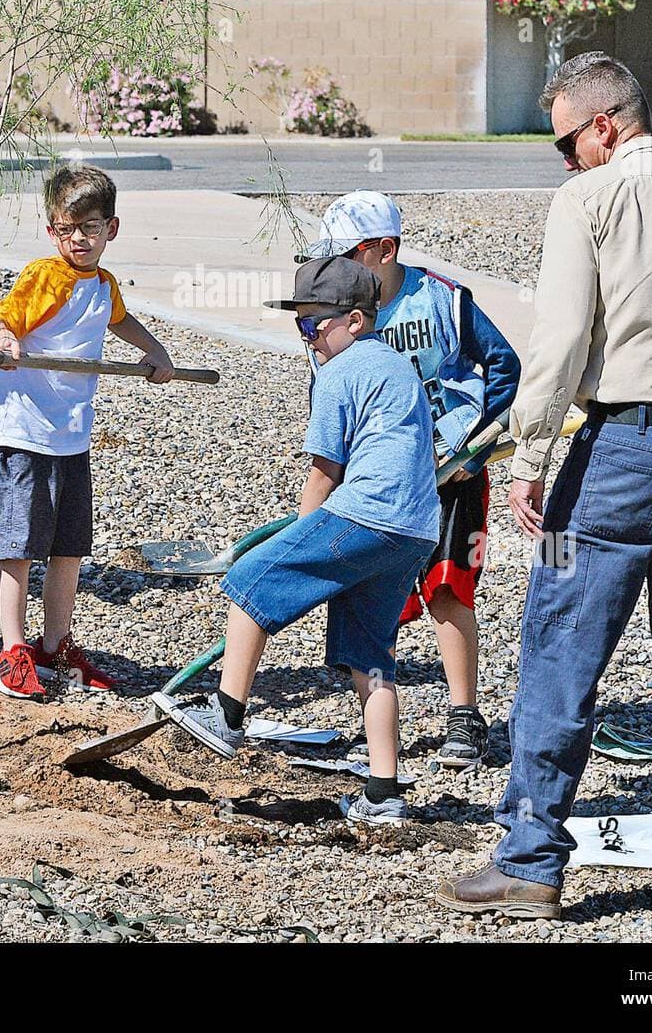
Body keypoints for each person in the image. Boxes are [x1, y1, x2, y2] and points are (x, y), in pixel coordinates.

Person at [437, 52, 652, 925]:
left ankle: (528, 861)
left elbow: (558, 338)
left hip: (620, 453)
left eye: (565, 143)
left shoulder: (589, 199)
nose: (563, 160)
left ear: (604, 125)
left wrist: (525, 458)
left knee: (560, 647)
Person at [151, 256, 440, 826]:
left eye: (313, 324)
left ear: (354, 320)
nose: (306, 335)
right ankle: (384, 794)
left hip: (367, 513)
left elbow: (324, 472)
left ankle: (226, 716)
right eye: (299, 323)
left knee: (250, 579)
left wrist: (303, 533)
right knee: (371, 658)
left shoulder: (339, 372)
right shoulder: (397, 366)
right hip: (413, 530)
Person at [304, 191, 520, 768]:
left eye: (347, 255)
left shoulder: (442, 299)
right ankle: (378, 727)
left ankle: (464, 716)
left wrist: (473, 441)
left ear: (384, 249)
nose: (336, 267)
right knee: (378, 596)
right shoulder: (333, 314)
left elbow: (504, 365)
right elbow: (327, 398)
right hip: (378, 480)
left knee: (448, 588)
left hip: (451, 473)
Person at [0, 163, 175, 700]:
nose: (78, 240)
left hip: (71, 435)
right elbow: (1, 318)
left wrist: (154, 351)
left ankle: (54, 645)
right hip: (25, 431)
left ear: (111, 228)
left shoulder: (103, 285)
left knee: (69, 547)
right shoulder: (45, 276)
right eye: (66, 230)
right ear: (52, 231)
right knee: (19, 545)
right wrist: (3, 340)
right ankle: (12, 651)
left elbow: (118, 319)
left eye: (90, 228)